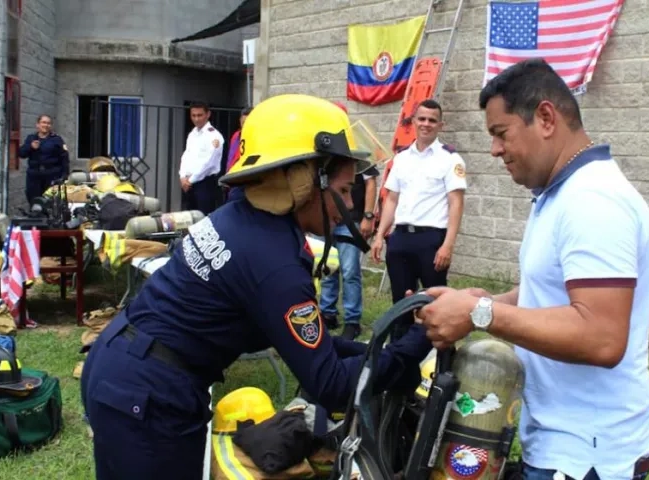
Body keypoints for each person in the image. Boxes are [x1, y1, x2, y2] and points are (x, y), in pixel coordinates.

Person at [80, 94, 432, 479]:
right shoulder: (276, 264)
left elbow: (313, 350)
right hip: (150, 395)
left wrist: (382, 351)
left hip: (123, 367)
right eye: (345, 190)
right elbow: (330, 384)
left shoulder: (242, 218)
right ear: (304, 180)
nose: (346, 205)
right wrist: (417, 343)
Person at [414, 59, 649, 480]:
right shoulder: (560, 193)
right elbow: (550, 294)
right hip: (561, 443)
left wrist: (480, 316)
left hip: (588, 455)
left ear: (545, 118)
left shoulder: (593, 200)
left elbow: (601, 337)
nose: (494, 149)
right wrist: (481, 301)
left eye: (500, 133)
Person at [370, 99, 466, 338]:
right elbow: (391, 199)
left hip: (431, 241)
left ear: (440, 125)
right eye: (421, 119)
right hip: (400, 239)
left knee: (436, 305)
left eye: (432, 120)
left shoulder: (450, 159)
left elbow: (456, 203)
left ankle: (439, 362)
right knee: (400, 304)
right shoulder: (401, 158)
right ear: (413, 121)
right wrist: (380, 235)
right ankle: (397, 359)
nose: (426, 124)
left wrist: (448, 245)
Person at [319, 101, 378, 340]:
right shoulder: (324, 145)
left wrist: (368, 216)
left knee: (350, 271)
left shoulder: (357, 144)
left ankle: (352, 320)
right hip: (326, 219)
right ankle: (327, 313)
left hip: (351, 220)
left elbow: (371, 181)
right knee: (328, 268)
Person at [179, 102, 224, 215]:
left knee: (204, 218)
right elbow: (186, 156)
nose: (196, 119)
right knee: (189, 218)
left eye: (200, 115)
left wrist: (190, 180)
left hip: (204, 183)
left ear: (208, 114)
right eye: (193, 115)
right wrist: (182, 176)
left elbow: (208, 162)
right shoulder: (193, 134)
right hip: (189, 183)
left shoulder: (214, 136)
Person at [18, 114, 69, 206]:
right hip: (34, 176)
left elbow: (64, 158)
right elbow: (21, 154)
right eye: (43, 122)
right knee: (34, 201)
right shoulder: (31, 138)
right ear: (37, 124)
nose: (46, 125)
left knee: (51, 202)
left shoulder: (56, 139)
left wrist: (65, 175)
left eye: (48, 123)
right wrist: (31, 147)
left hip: (51, 175)